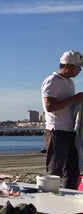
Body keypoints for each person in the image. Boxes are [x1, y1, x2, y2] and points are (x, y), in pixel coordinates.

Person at [41, 50, 83, 190]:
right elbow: (49, 106)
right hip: (57, 131)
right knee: (55, 170)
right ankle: (50, 204)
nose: (80, 70)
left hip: (71, 131)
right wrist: (74, 99)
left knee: (72, 171)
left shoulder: (70, 83)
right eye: (78, 66)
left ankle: (68, 201)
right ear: (68, 65)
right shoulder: (52, 81)